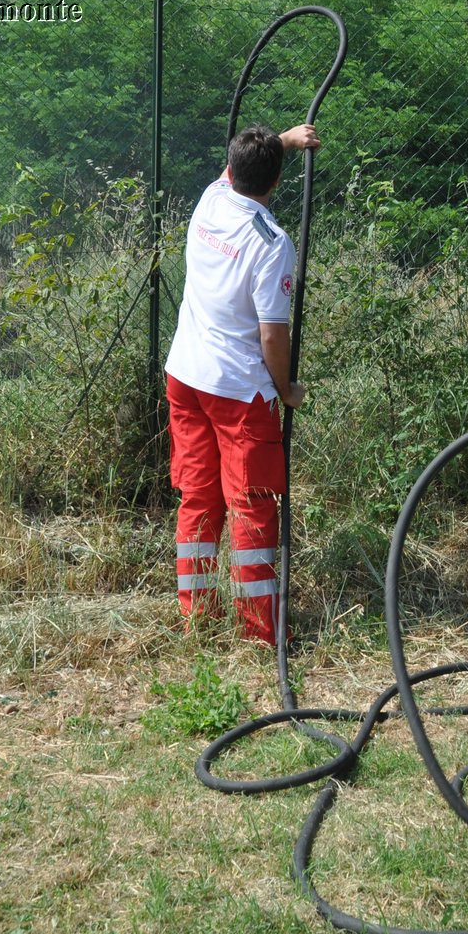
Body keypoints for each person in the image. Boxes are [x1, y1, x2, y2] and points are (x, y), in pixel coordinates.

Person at [165, 122, 320, 644]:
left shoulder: (211, 198)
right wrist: (287, 389)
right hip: (239, 393)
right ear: (276, 181)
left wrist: (281, 141)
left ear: (231, 169)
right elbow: (273, 337)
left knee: (198, 498)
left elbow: (240, 167)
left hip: (185, 376)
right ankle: (259, 635)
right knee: (252, 505)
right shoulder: (272, 243)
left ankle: (197, 616)